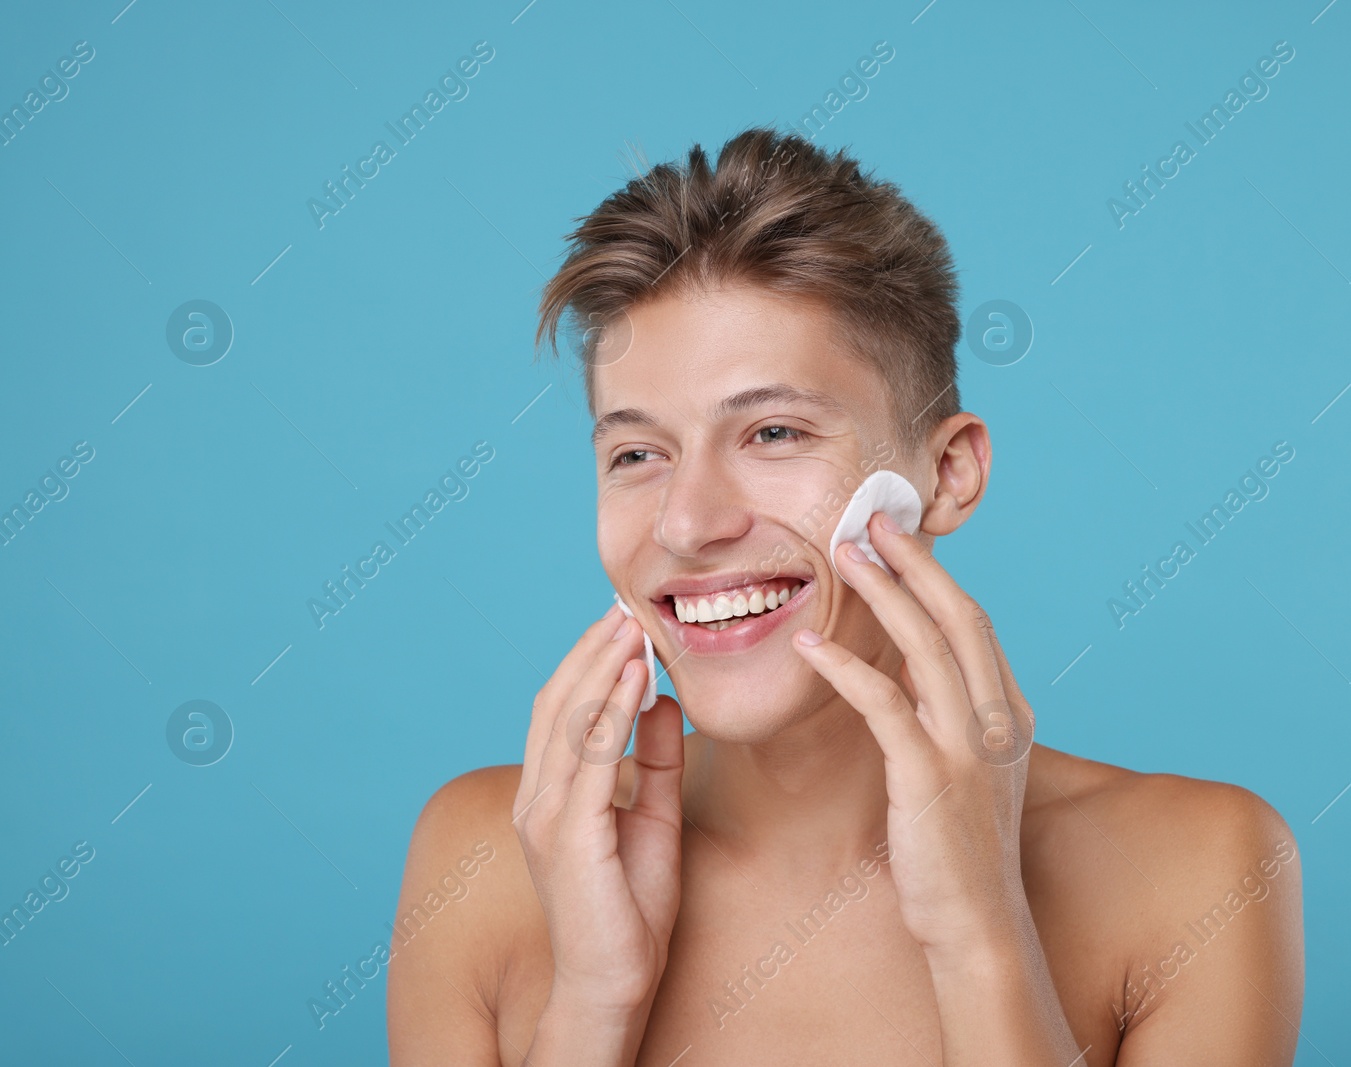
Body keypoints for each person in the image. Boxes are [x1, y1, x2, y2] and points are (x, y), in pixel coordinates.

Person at [386, 125, 1304, 1066]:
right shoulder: (485, 860)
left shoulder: (1199, 870)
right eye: (636, 454)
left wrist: (981, 938)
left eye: (775, 433)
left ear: (946, 473)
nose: (686, 523)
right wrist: (594, 1000)